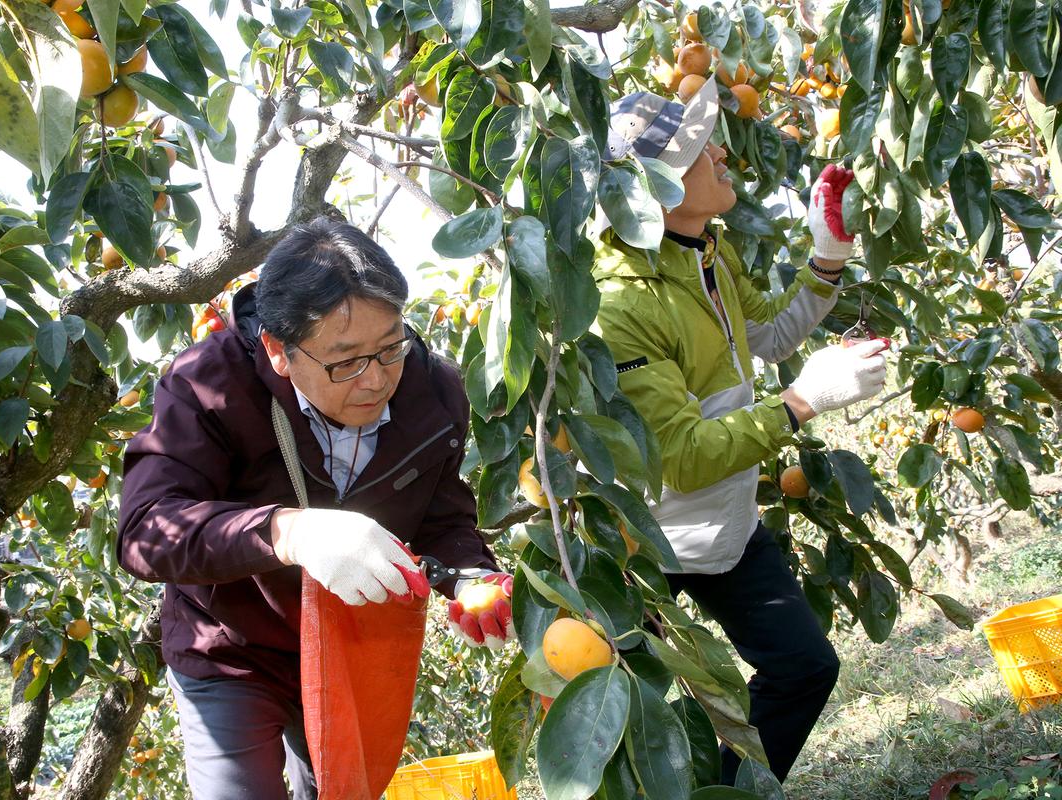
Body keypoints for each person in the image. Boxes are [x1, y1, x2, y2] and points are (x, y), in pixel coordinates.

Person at [117, 219, 511, 799]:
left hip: (350, 648)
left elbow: (443, 518)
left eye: (390, 346)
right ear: (278, 350)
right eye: (345, 361)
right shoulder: (208, 384)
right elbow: (147, 529)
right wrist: (288, 533)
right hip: (232, 649)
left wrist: (471, 573)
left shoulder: (433, 390)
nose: (376, 379)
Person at [592, 79, 889, 783]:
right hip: (643, 540)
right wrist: (801, 403)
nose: (722, 150)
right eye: (700, 147)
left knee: (803, 666)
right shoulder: (621, 303)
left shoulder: (708, 252)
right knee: (635, 724)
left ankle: (732, 793)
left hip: (719, 523)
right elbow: (680, 458)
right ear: (657, 190)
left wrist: (827, 260)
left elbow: (767, 333)